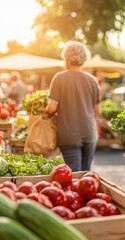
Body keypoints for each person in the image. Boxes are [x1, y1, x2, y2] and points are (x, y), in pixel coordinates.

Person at [45, 41, 101, 172]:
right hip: (89, 133)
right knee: (86, 175)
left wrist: (45, 112)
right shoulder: (93, 80)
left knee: (74, 176)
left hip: (69, 134)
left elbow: (52, 108)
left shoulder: (59, 78)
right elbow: (97, 111)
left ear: (67, 58)